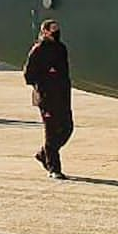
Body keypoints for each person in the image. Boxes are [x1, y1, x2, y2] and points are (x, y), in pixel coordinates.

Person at [24, 20, 72, 179]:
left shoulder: (61, 48)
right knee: (51, 133)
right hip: (47, 97)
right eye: (53, 30)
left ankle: (43, 154)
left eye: (57, 29)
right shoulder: (38, 50)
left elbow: (64, 72)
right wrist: (45, 80)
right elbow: (28, 75)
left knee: (67, 128)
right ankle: (54, 168)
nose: (56, 33)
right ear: (44, 32)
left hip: (63, 95)